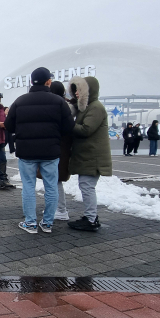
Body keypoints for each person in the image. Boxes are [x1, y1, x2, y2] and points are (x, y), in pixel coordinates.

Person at [5, 70, 74, 233]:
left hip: (26, 152)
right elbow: (69, 127)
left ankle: (30, 223)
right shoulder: (59, 102)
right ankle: (48, 223)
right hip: (50, 152)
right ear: (48, 82)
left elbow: (8, 125)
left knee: (28, 186)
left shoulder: (20, 101)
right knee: (51, 187)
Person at [66, 75, 112, 231]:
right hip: (88, 156)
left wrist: (68, 123)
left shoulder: (96, 107)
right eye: (75, 91)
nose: (76, 94)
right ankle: (90, 216)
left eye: (79, 90)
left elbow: (86, 130)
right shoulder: (87, 107)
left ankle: (91, 219)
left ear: (88, 90)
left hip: (93, 156)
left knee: (87, 186)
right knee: (85, 186)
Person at [35, 81, 74, 222]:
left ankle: (60, 210)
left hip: (57, 147)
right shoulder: (65, 105)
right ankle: (56, 208)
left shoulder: (61, 106)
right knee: (53, 180)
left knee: (54, 180)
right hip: (59, 146)